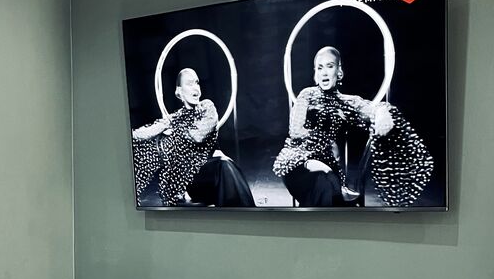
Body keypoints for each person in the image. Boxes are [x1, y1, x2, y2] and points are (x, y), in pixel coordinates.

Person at [272, 46, 433, 207]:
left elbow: (373, 108)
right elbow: (295, 130)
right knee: (324, 183)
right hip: (298, 163)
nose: (324, 73)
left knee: (325, 183)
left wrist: (382, 113)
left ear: (339, 71)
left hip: (327, 169)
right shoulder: (307, 94)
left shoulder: (348, 101)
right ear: (316, 73)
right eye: (320, 68)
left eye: (330, 66)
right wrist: (327, 143)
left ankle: (318, 218)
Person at [132, 67, 255, 207]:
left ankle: (241, 213)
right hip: (194, 181)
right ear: (179, 92)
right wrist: (135, 133)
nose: (196, 87)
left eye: (197, 82)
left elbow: (198, 136)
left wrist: (173, 129)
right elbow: (141, 134)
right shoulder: (174, 118)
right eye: (190, 84)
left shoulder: (207, 107)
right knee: (225, 166)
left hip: (214, 173)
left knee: (224, 165)